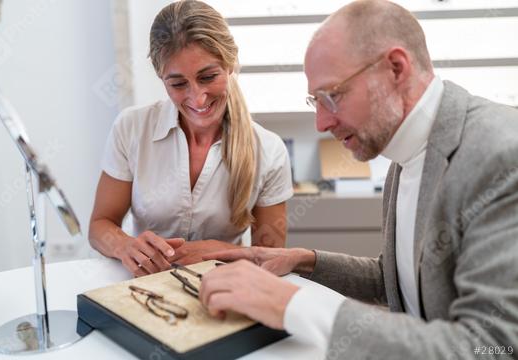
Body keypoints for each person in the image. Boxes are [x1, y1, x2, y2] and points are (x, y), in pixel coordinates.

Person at [199, 1, 518, 358]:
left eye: (332, 96)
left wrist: (292, 305)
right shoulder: (404, 147)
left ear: (396, 68)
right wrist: (303, 260)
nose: (321, 123)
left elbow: (493, 347)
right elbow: (398, 281)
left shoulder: (501, 155)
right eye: (314, 101)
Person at [88, 0, 293, 277]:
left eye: (208, 77)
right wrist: (125, 245)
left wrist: (214, 251)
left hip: (225, 291)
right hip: (144, 290)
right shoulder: (131, 128)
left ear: (230, 64)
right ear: (162, 78)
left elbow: (271, 261)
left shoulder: (269, 150)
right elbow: (100, 225)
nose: (197, 98)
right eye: (178, 84)